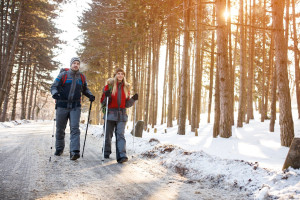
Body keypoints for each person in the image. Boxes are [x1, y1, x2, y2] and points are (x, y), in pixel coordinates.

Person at [50, 57, 95, 160]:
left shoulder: (82, 77)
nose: (76, 65)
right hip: (62, 105)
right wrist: (55, 94)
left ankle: (74, 151)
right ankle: (59, 148)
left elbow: (85, 89)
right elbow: (53, 86)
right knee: (60, 129)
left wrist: (90, 95)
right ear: (71, 64)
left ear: (79, 65)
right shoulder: (63, 75)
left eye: (77, 63)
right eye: (74, 63)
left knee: (75, 128)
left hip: (75, 106)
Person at [101, 68, 138, 163]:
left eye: (122, 74)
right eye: (118, 73)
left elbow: (126, 104)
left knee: (120, 135)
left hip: (121, 115)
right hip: (110, 114)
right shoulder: (109, 86)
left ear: (124, 76)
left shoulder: (126, 87)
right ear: (115, 75)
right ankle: (106, 151)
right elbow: (103, 102)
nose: (120, 75)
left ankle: (121, 155)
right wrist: (106, 95)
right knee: (107, 135)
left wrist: (133, 99)